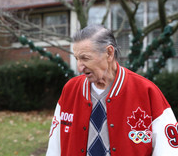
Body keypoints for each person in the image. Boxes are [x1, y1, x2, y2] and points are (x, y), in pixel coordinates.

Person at [46, 24, 178, 155]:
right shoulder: (70, 90)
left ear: (109, 53)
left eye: (85, 58)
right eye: (77, 59)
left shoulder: (147, 91)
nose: (79, 67)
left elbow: (168, 150)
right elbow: (54, 148)